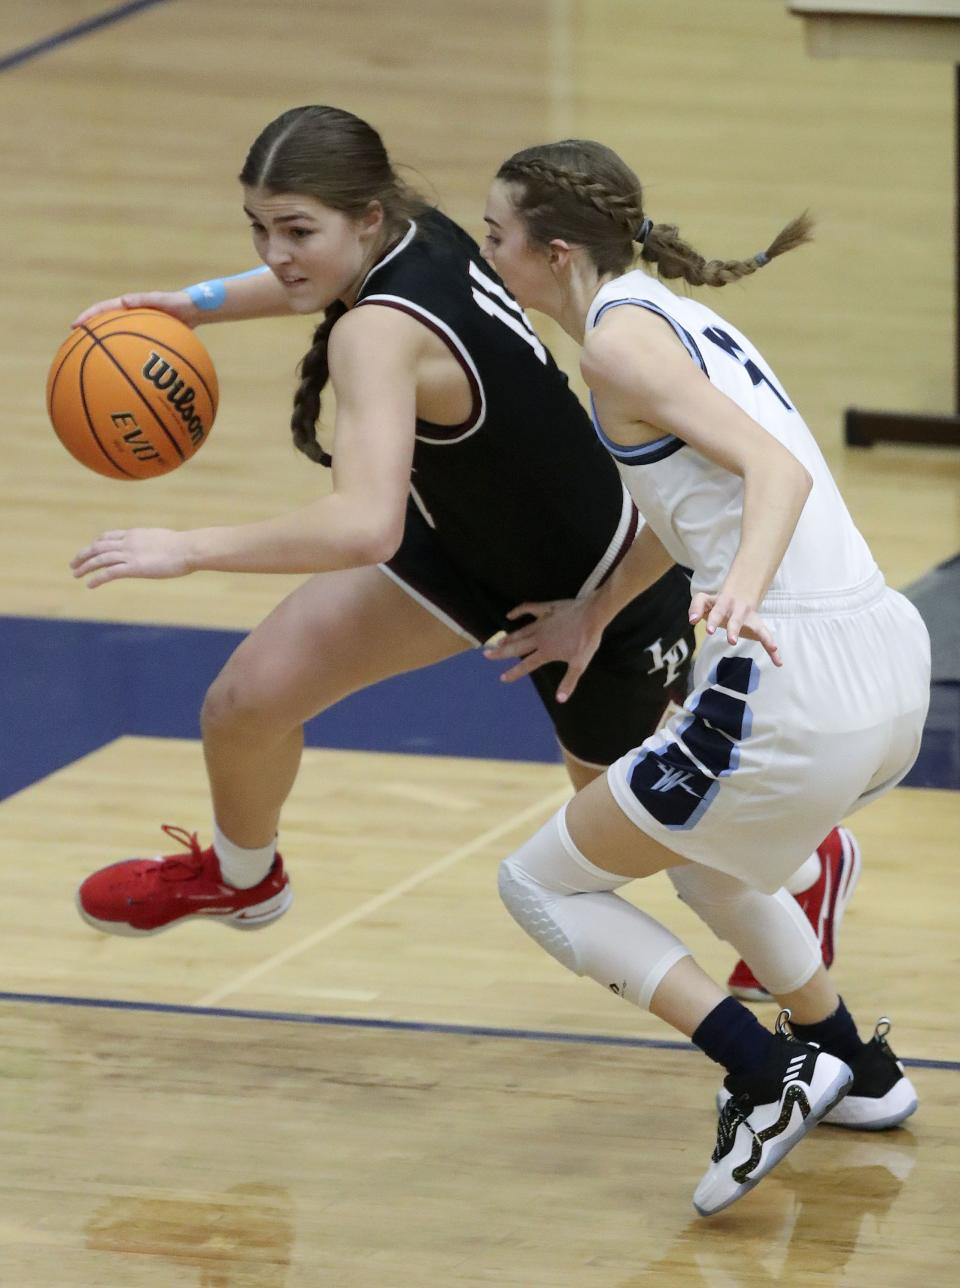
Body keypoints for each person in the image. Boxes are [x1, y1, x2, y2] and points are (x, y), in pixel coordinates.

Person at [70, 105, 856, 998]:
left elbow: (363, 526)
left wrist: (186, 548)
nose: (276, 252)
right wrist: (192, 307)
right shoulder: (417, 231)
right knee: (244, 703)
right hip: (457, 544)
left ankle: (807, 868)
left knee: (661, 847)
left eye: (296, 229)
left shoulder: (379, 331)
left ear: (366, 218)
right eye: (259, 228)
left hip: (597, 590)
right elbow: (305, 286)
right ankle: (244, 880)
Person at [479, 139, 930, 1214]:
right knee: (711, 865)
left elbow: (770, 473)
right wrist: (597, 608)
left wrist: (741, 595)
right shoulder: (664, 315)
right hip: (883, 660)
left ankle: (763, 1071)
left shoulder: (618, 351)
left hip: (791, 682)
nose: (488, 256)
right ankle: (850, 1065)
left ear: (549, 252)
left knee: (539, 885)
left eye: (495, 238)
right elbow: (689, 498)